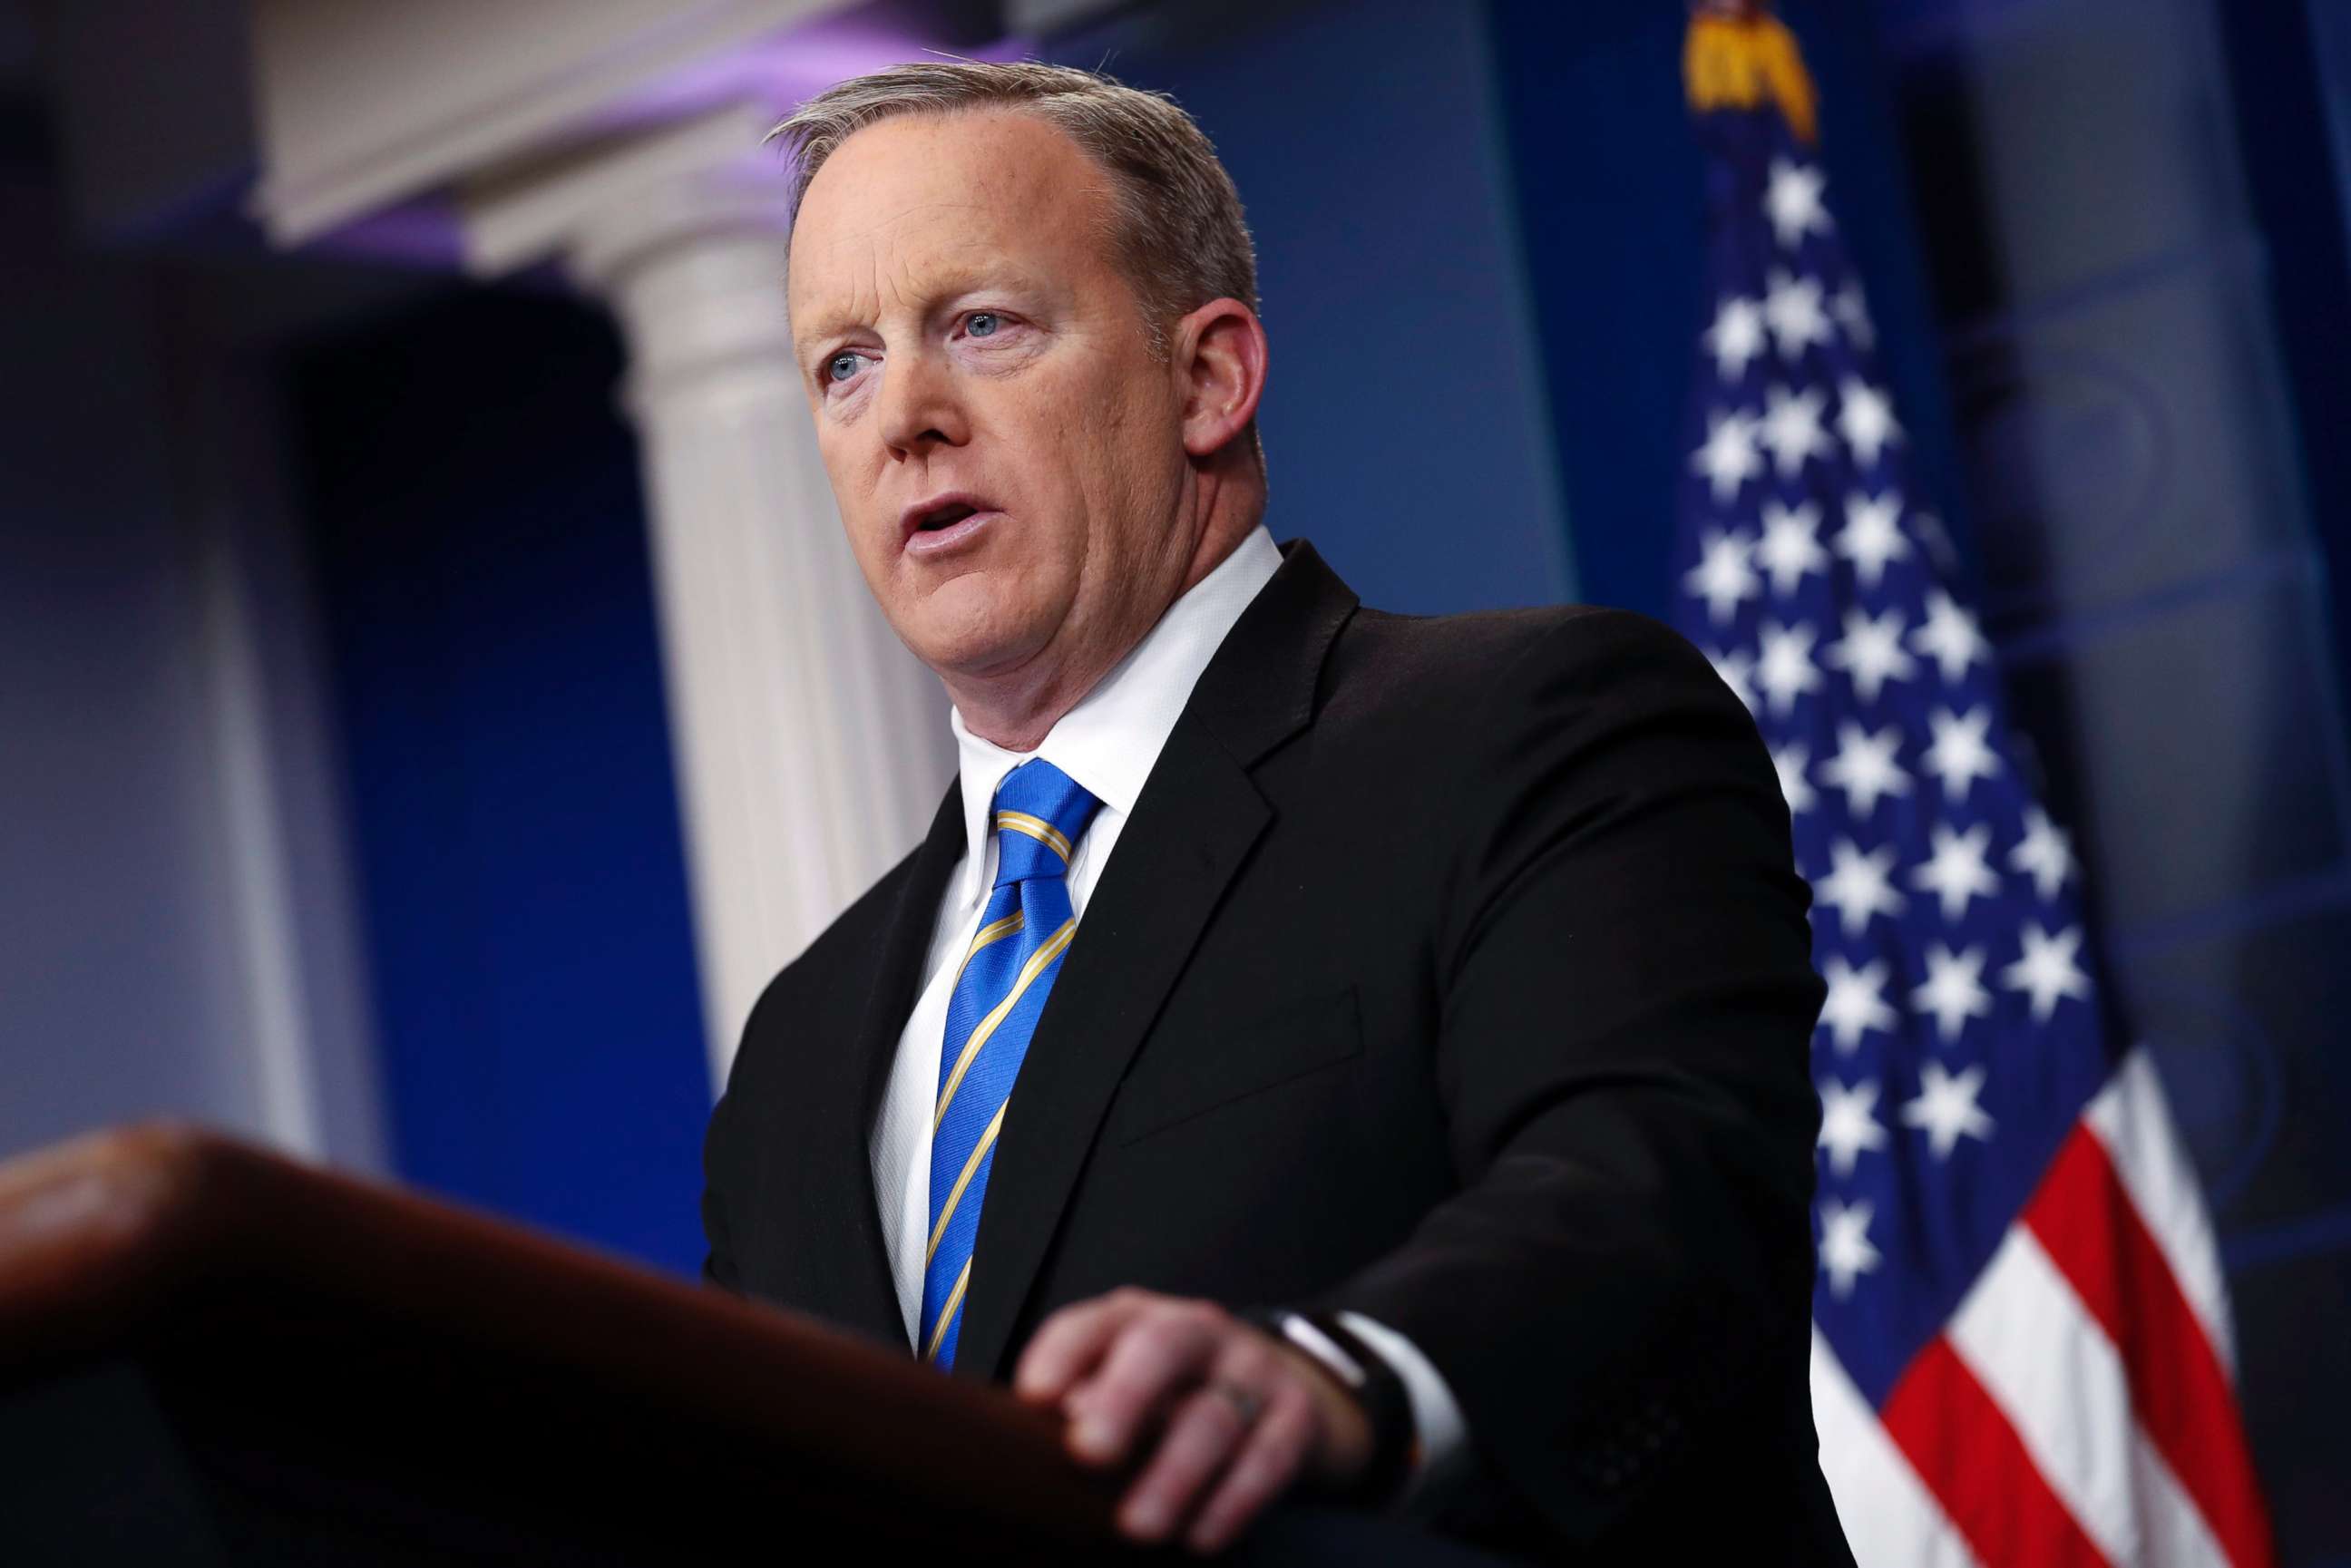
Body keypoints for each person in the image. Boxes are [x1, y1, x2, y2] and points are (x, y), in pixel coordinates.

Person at [698, 60, 1851, 1563]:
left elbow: (1658, 1206)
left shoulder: (1533, 732)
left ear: (1208, 378)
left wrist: (1336, 1379)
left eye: (979, 325)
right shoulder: (800, 1041)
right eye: (843, 363)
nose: (901, 415)